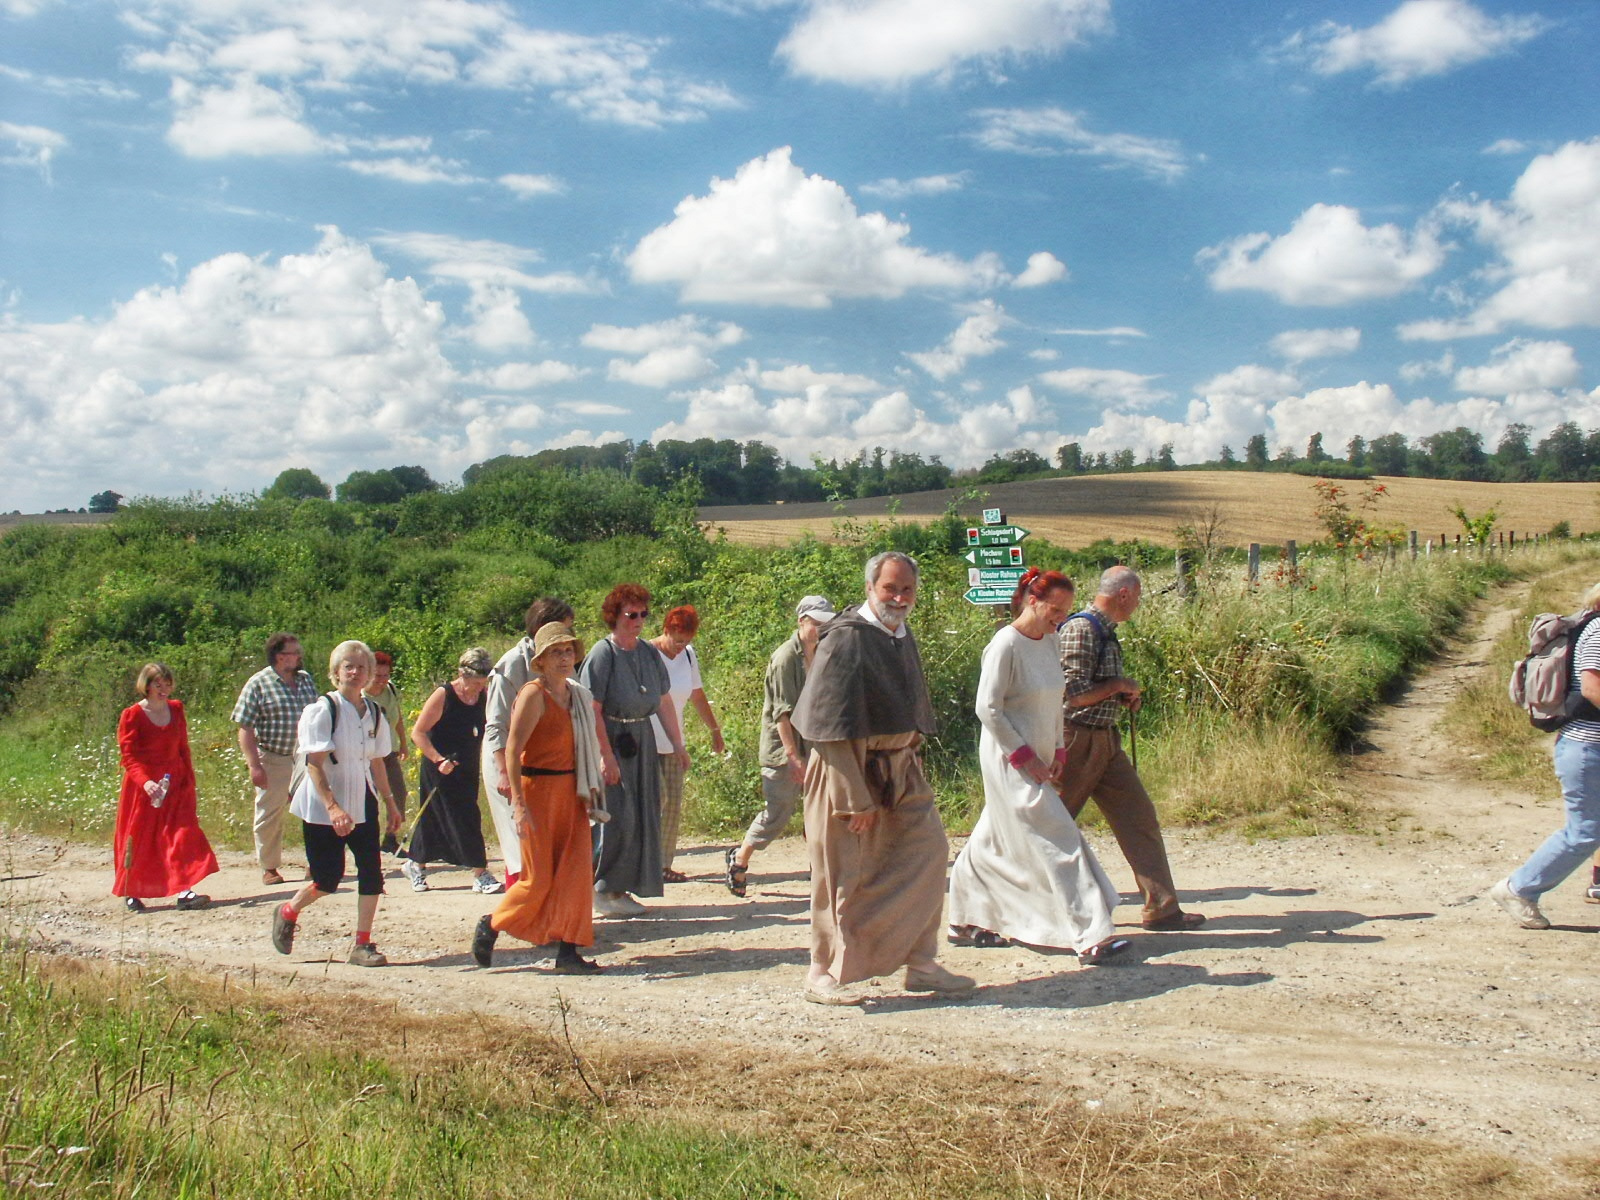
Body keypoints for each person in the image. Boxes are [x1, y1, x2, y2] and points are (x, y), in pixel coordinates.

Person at [791, 551, 975, 1005]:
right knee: (838, 874)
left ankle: (921, 962)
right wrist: (853, 798)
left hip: (900, 768)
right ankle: (821, 972)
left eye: (906, 589)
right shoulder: (847, 638)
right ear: (870, 588)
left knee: (928, 851)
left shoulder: (899, 632)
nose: (898, 597)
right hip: (846, 771)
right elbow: (829, 729)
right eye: (889, 588)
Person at [947, 570, 1128, 962]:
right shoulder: (1004, 644)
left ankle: (962, 920)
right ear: (1032, 600)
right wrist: (1024, 756)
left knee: (992, 835)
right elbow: (987, 708)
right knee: (1058, 837)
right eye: (1054, 609)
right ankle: (1090, 934)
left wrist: (1059, 750)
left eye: (1064, 611)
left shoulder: (1050, 641)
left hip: (1042, 755)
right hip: (1008, 758)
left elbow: (1055, 699)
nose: (1060, 618)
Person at [1056, 566, 1205, 931]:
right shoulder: (1080, 629)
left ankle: (1163, 909)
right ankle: (1009, 907)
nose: (1137, 604)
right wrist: (1117, 685)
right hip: (1076, 740)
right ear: (1123, 594)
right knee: (1051, 827)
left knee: (1139, 817)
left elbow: (1091, 689)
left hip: (1105, 739)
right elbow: (1071, 694)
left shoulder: (1104, 631)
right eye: (1137, 597)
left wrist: (1120, 697)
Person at [471, 623, 607, 973]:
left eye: (568, 651)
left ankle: (568, 952)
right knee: (539, 878)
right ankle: (492, 923)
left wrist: (590, 790)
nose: (564, 658)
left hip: (571, 792)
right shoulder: (534, 695)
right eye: (555, 652)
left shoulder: (575, 694)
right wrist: (517, 804)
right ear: (541, 660)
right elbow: (513, 749)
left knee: (575, 875)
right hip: (538, 793)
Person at [270, 640, 401, 966]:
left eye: (362, 667)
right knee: (327, 880)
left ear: (370, 674)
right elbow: (314, 763)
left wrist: (390, 804)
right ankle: (288, 911)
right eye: (349, 666)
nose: (356, 672)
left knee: (372, 873)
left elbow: (377, 762)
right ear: (336, 673)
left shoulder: (373, 713)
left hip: (362, 802)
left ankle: (362, 945)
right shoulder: (322, 711)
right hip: (322, 807)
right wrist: (333, 808)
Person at [1490, 581, 1600, 929]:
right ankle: (1518, 888)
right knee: (1584, 831)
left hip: (1588, 746)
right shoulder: (1598, 630)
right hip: (1588, 747)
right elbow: (1592, 686)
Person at [580, 583, 686, 918]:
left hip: (642, 737)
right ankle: (600, 888)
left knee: (644, 811)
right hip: (613, 734)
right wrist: (605, 755)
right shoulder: (602, 654)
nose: (638, 620)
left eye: (642, 614)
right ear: (615, 616)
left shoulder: (648, 653)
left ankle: (621, 887)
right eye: (631, 614)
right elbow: (592, 708)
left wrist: (678, 744)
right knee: (616, 814)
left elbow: (662, 701)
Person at [725, 594, 835, 896]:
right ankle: (740, 858)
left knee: (821, 810)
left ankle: (821, 874)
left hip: (814, 743)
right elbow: (781, 712)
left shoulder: (823, 651)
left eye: (827, 623)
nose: (822, 629)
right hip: (782, 748)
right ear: (802, 622)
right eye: (817, 623)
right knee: (778, 813)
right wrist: (792, 756)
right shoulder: (786, 656)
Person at [483, 598, 576, 888]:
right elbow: (496, 725)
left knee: (547, 841)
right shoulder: (511, 665)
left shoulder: (563, 661)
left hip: (544, 760)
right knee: (519, 841)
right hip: (507, 757)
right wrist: (503, 771)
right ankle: (517, 913)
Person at [113, 662, 218, 913]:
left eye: (167, 683)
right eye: (157, 683)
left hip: (175, 782)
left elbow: (183, 748)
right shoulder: (132, 715)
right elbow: (128, 757)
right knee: (139, 841)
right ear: (146, 686)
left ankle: (184, 891)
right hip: (144, 788)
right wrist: (147, 783)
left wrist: (188, 781)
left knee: (182, 835)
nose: (163, 688)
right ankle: (132, 891)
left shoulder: (176, 709)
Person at [402, 647, 500, 894]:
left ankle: (421, 863)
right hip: (439, 766)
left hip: (466, 765)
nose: (479, 688)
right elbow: (418, 732)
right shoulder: (444, 694)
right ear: (462, 675)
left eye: (482, 683)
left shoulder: (483, 696)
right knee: (444, 815)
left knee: (460, 813)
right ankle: (476, 871)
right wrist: (437, 760)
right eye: (475, 682)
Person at [232, 631, 319, 885]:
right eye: (293, 652)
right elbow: (245, 727)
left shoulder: (306, 680)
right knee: (269, 813)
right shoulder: (259, 683)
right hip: (273, 756)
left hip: (304, 757)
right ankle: (269, 867)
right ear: (280, 656)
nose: (298, 656)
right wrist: (254, 765)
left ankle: (316, 863)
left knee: (313, 810)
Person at [649, 605, 725, 883]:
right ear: (666, 630)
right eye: (678, 640)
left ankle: (662, 866)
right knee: (658, 799)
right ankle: (642, 863)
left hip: (674, 740)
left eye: (688, 641)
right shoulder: (647, 653)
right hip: (645, 740)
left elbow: (697, 695)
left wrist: (714, 729)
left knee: (672, 805)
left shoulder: (688, 657)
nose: (682, 647)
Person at [365, 650, 410, 855]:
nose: (382, 680)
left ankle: (390, 839)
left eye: (386, 675)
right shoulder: (360, 695)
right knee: (371, 800)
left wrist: (403, 742)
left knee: (398, 794)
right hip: (367, 756)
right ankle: (367, 842)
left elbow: (397, 717)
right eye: (378, 676)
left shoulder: (390, 690)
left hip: (388, 752)